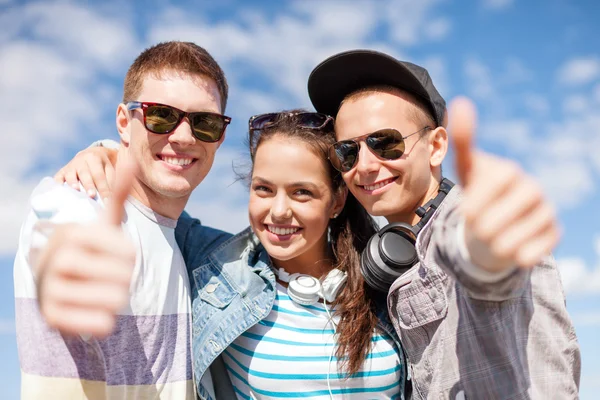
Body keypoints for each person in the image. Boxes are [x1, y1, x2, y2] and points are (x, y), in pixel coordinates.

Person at [55, 110, 407, 399]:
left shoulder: (387, 278)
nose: (279, 211)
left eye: (302, 192)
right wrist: (105, 152)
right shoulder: (218, 266)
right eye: (264, 189)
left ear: (337, 201)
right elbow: (149, 200)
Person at [306, 49, 581, 399]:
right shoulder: (397, 253)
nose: (365, 166)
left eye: (385, 143)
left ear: (436, 147)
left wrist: (487, 249)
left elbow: (475, 259)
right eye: (348, 151)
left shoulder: (464, 224)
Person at [13, 41, 233, 399]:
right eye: (160, 115)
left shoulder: (189, 245)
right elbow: (61, 238)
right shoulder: (71, 197)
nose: (183, 137)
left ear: (220, 136)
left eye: (204, 122)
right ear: (123, 122)